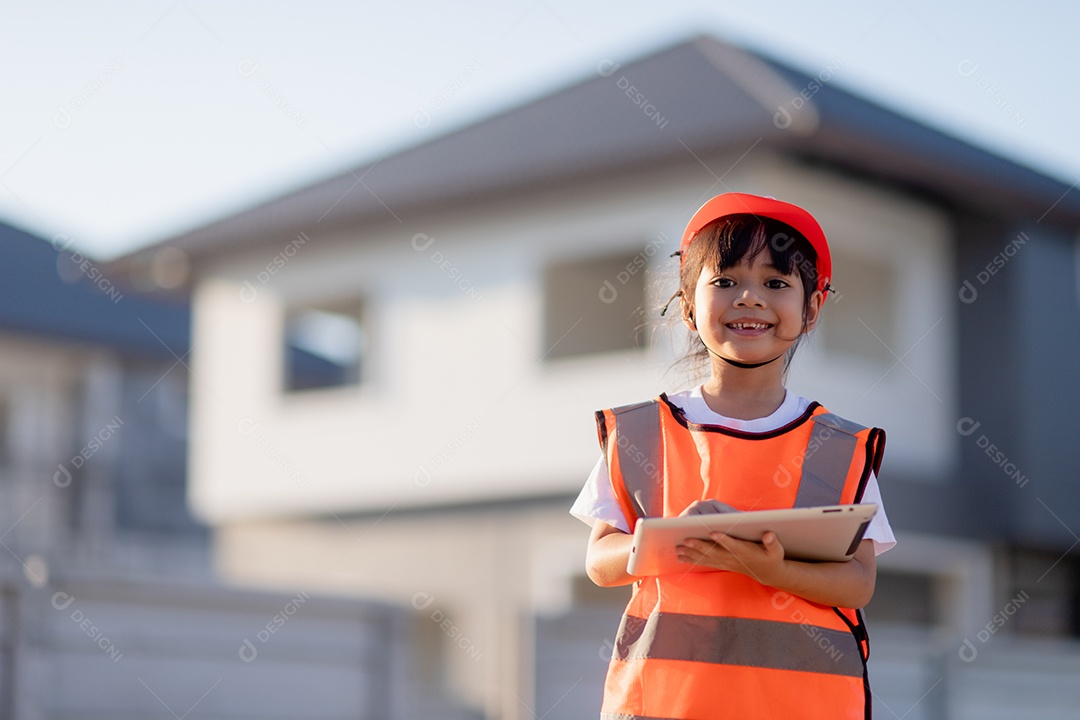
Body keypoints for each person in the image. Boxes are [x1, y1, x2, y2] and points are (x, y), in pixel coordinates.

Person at [570, 192, 895, 720]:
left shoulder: (841, 446)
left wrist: (770, 568)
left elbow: (858, 584)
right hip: (667, 707)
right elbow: (600, 562)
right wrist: (669, 541)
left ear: (812, 309)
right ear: (688, 308)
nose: (749, 298)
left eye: (776, 283)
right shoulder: (639, 431)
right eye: (724, 282)